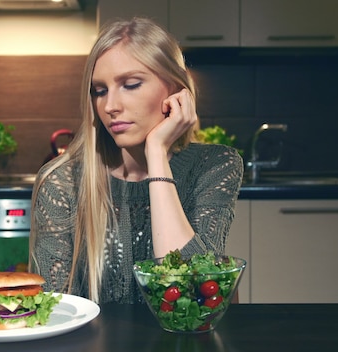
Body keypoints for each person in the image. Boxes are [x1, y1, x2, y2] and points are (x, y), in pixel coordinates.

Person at [29, 17, 243, 304]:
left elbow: (192, 297)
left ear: (175, 88)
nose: (110, 106)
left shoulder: (215, 166)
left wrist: (156, 153)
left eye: (130, 84)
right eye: (99, 91)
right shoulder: (62, 181)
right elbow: (52, 309)